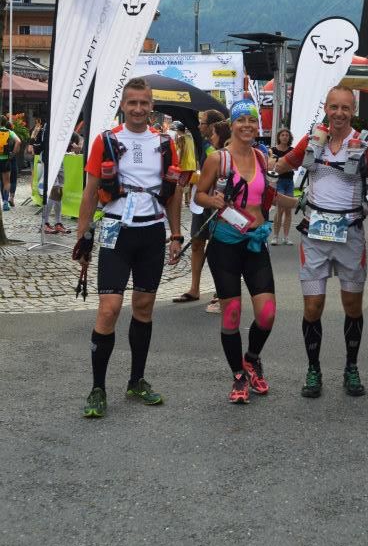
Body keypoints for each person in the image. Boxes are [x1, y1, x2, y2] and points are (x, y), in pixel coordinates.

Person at [74, 77, 182, 419]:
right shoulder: (105, 140)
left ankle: (136, 381)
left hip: (151, 232)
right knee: (109, 309)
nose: (138, 109)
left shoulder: (165, 143)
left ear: (152, 106)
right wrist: (82, 236)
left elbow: (174, 193)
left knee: (144, 307)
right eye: (132, 102)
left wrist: (176, 235)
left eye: (143, 103)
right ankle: (98, 388)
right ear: (123, 105)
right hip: (115, 231)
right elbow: (91, 190)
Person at [276, 86, 368, 399]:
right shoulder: (312, 141)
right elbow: (282, 166)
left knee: (352, 306)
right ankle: (314, 369)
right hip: (314, 236)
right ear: (326, 108)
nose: (339, 113)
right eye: (334, 107)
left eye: (345, 108)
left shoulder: (366, 146)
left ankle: (351, 367)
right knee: (313, 306)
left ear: (353, 111)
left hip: (350, 235)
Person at [195, 98, 296, 404]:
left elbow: (268, 196)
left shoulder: (262, 158)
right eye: (241, 120)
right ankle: (238, 375)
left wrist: (303, 203)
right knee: (232, 314)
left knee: (267, 313)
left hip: (255, 242)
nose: (247, 125)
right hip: (225, 243)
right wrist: (212, 200)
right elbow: (199, 195)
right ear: (232, 125)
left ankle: (251, 359)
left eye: (252, 120)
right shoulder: (218, 159)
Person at [173, 111, 227, 311]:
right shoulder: (203, 144)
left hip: (217, 203)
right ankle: (194, 288)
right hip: (201, 200)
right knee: (197, 243)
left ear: (213, 125)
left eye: (202, 123)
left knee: (218, 248)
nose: (199, 126)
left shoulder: (223, 147)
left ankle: (221, 290)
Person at [269, 126, 295, 245]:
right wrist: (285, 167)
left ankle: (286, 237)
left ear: (289, 138)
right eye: (282, 135)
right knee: (279, 209)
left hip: (289, 181)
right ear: (279, 137)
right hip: (278, 181)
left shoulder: (292, 150)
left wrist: (283, 166)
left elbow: (296, 166)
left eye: (287, 135)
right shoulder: (273, 150)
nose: (285, 137)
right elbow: (271, 166)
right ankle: (275, 236)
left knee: (288, 210)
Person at [0, 116, 21, 211]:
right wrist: (13, 153)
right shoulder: (9, 132)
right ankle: (5, 202)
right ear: (5, 123)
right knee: (6, 182)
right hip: (5, 159)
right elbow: (18, 141)